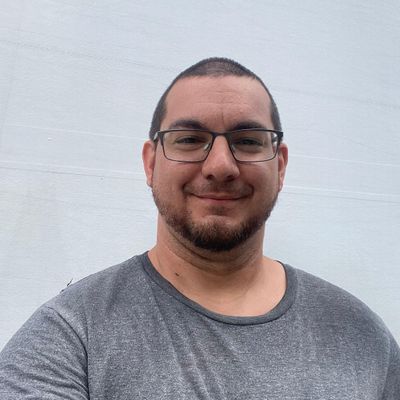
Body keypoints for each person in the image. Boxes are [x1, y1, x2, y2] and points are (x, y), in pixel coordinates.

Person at [0, 57, 399, 399]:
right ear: (151, 163)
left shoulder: (362, 338)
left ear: (279, 167)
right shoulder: (70, 338)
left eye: (248, 141)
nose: (220, 166)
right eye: (190, 139)